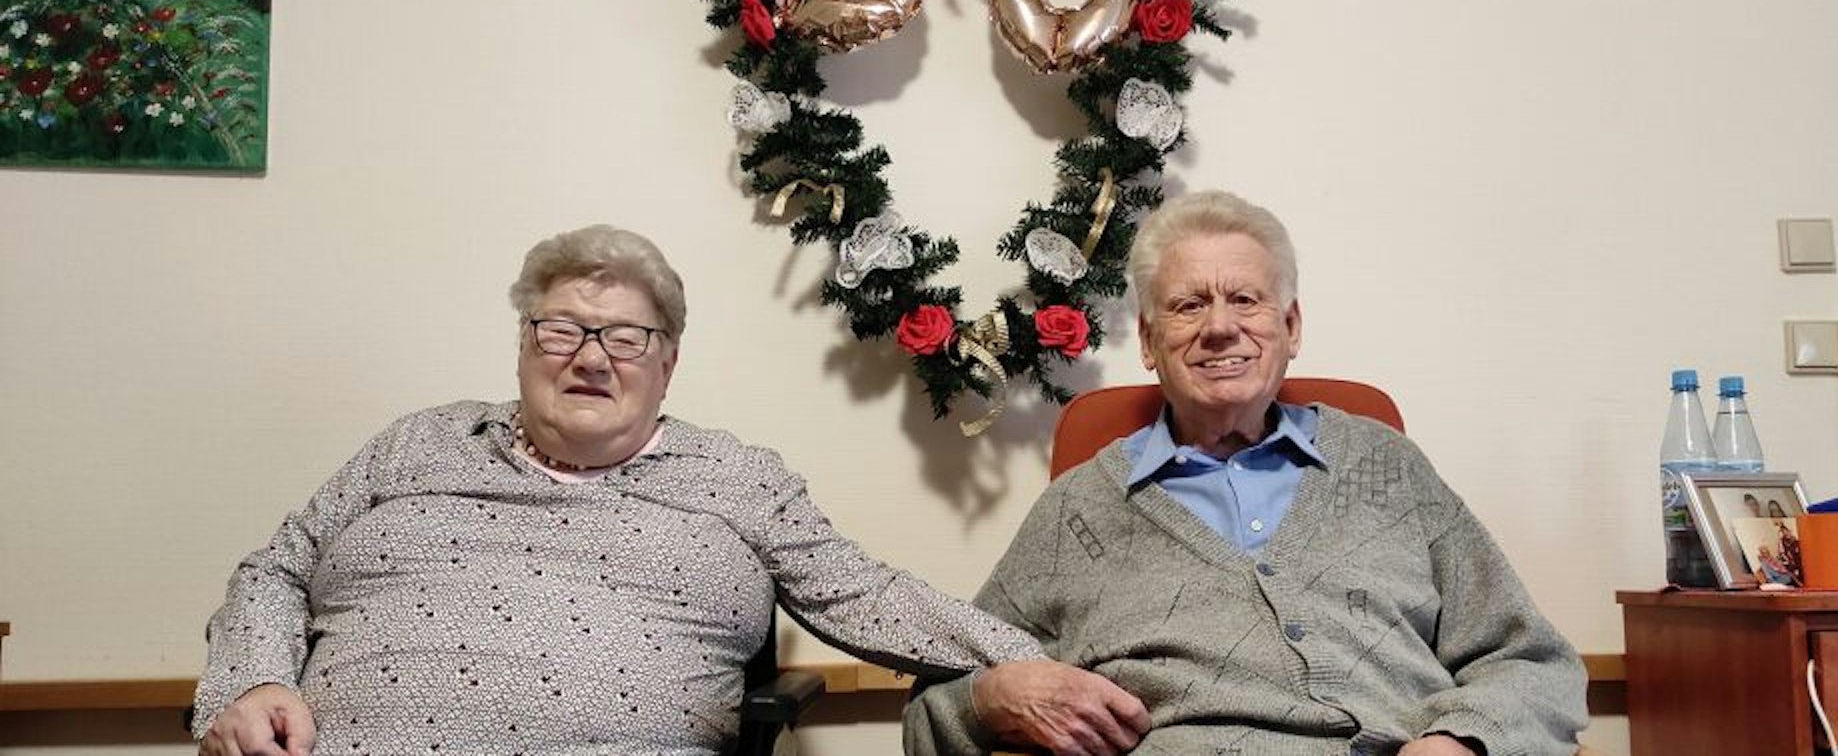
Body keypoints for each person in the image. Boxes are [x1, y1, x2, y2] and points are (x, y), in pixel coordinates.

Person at [193, 224, 1143, 756]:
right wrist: (252, 682)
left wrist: (1030, 665)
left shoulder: (735, 477)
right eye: (562, 329)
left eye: (625, 337)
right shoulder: (418, 444)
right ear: (523, 345)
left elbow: (869, 597)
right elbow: (275, 570)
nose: (590, 357)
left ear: (668, 363)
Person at [904, 191, 1588, 756]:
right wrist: (993, 696)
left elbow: (1532, 662)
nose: (1220, 327)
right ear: (1148, 342)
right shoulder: (1077, 512)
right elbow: (933, 709)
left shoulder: (1387, 467)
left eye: (1246, 300)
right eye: (1188, 305)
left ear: (1291, 326)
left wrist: (1459, 741)